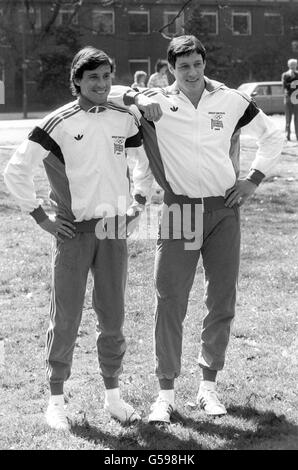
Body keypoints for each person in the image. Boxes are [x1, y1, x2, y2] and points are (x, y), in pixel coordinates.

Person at [113, 35, 284, 423]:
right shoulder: (155, 101)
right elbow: (112, 92)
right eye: (183, 66)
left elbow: (271, 135)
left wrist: (253, 180)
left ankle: (208, 389)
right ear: (170, 67)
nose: (191, 73)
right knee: (170, 298)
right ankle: (165, 394)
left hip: (224, 209)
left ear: (205, 63)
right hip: (180, 211)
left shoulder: (231, 99)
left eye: (197, 64)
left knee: (221, 300)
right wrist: (140, 99)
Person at [3, 46, 147, 430]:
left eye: (106, 77)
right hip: (73, 232)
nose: (101, 84)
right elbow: (15, 170)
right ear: (77, 81)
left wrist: (139, 203)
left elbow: (143, 163)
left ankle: (113, 397)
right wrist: (41, 217)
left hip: (114, 230)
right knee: (66, 316)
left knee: (113, 315)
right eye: (92, 78)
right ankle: (55, 400)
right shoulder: (57, 122)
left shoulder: (124, 118)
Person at [281, 58, 298, 141]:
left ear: (296, 65)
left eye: (294, 65)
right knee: (288, 119)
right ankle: (287, 136)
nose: (293, 66)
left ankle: (297, 136)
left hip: (296, 99)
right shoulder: (285, 75)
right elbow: (284, 86)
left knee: (297, 119)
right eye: (291, 65)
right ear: (288, 65)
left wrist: (292, 84)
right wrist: (294, 83)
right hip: (288, 98)